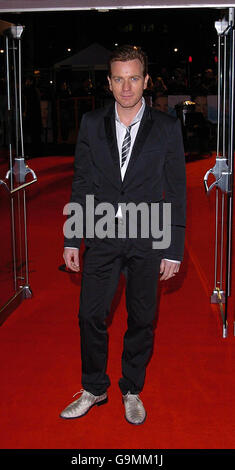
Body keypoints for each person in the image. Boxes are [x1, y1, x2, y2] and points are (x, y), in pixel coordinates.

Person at [60, 45, 186, 425]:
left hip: (148, 234)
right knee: (89, 315)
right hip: (102, 231)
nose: (126, 87)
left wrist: (173, 248)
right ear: (109, 82)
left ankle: (131, 387)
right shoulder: (91, 123)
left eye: (134, 78)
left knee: (142, 318)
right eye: (119, 78)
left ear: (146, 81)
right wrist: (71, 237)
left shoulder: (166, 127)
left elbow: (176, 191)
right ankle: (95, 387)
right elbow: (81, 181)